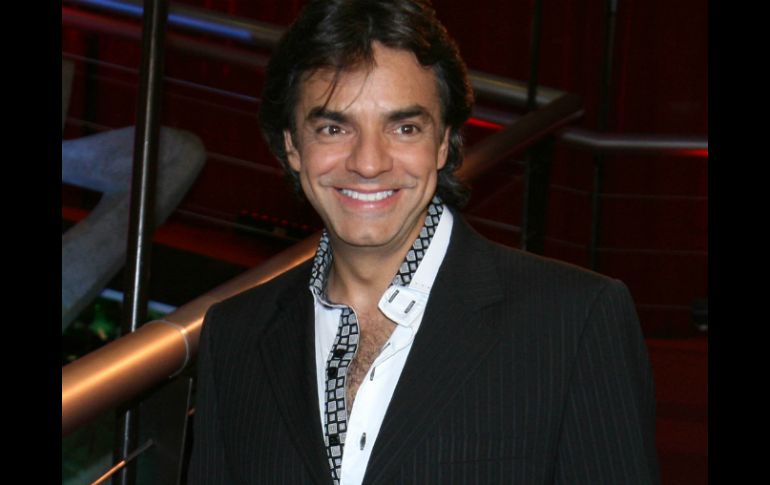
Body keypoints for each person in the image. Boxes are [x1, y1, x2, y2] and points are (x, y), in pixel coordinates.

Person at [187, 1, 661, 484]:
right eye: (333, 128)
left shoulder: (573, 323)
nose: (368, 163)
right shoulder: (235, 336)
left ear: (443, 143)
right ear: (292, 146)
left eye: (404, 128)